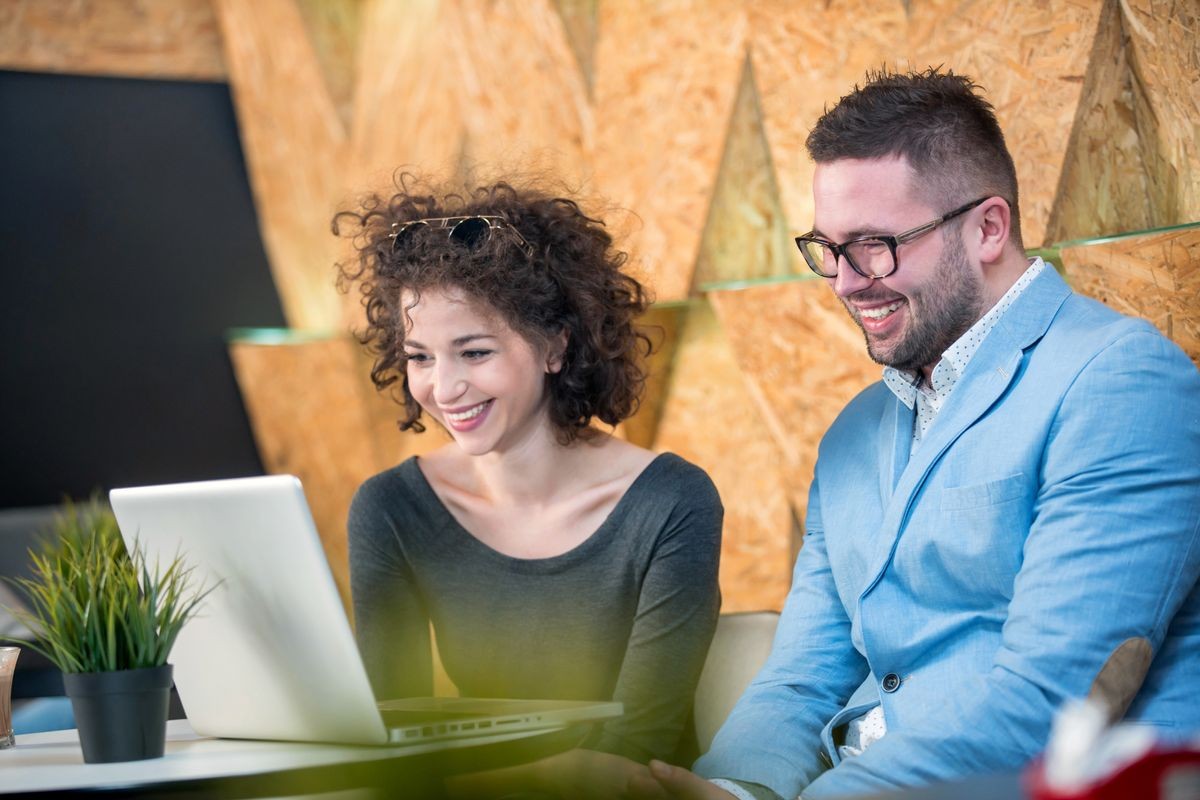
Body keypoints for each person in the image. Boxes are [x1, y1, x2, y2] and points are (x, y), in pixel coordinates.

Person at [633, 68, 1200, 800]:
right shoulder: (851, 435)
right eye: (828, 248)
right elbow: (802, 677)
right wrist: (734, 790)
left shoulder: (1119, 381)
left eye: (875, 245)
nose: (844, 281)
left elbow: (1048, 702)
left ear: (988, 228)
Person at [334, 178, 723, 797]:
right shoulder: (390, 509)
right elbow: (389, 742)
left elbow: (633, 753)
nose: (445, 388)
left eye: (474, 351)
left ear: (554, 345)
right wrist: (544, 775)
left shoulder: (671, 501)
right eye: (420, 357)